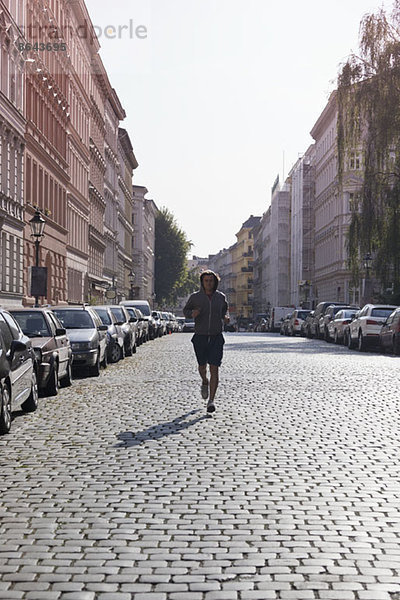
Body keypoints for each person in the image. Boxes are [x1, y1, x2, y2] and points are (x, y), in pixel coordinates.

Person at [183, 270, 230, 413]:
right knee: (202, 367)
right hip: (200, 336)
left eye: (211, 281)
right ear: (202, 282)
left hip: (216, 336)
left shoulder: (220, 297)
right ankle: (204, 380)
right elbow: (186, 311)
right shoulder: (195, 297)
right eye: (206, 281)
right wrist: (192, 314)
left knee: (214, 368)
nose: (209, 283)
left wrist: (225, 317)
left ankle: (211, 401)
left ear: (215, 282)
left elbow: (224, 311)